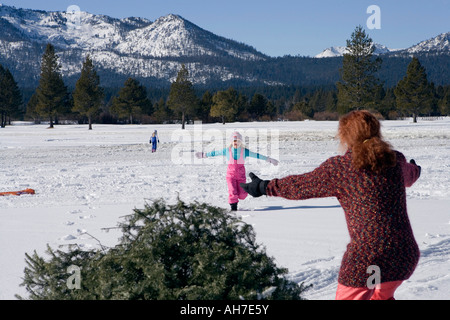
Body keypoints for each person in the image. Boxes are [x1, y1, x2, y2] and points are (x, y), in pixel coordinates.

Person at [240, 110, 422, 300]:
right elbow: (410, 175)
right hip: (403, 255)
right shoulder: (394, 161)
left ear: (346, 137)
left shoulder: (341, 168)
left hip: (368, 258)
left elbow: (301, 186)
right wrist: (416, 170)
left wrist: (264, 186)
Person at [196, 131, 279, 211]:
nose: (236, 143)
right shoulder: (227, 150)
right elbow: (215, 153)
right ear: (231, 142)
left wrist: (269, 159)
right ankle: (233, 207)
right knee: (232, 191)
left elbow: (256, 155)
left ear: (241, 142)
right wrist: (204, 155)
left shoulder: (244, 151)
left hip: (241, 175)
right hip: (230, 175)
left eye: (238, 141)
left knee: (242, 195)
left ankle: (241, 195)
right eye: (234, 141)